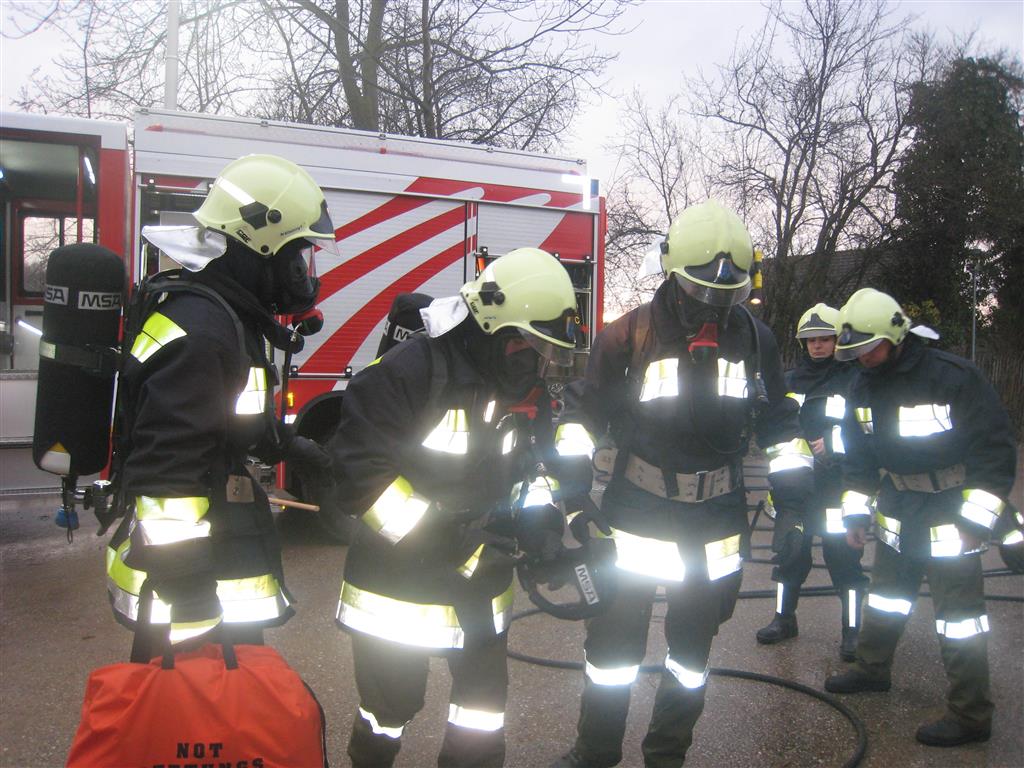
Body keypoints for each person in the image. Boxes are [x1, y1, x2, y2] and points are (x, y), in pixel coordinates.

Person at [554, 200, 810, 768]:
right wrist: (573, 496)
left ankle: (667, 755)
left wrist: (795, 509)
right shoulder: (628, 335)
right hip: (636, 515)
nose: (713, 306)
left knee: (691, 656)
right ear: (671, 273)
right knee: (612, 650)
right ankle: (596, 751)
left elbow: (780, 425)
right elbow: (581, 417)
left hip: (715, 523)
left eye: (728, 295)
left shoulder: (757, 340)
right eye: (700, 290)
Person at [327, 247, 587, 768]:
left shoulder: (522, 388)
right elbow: (359, 476)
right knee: (388, 713)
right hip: (397, 589)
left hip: (480, 586)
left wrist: (541, 528)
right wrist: (449, 538)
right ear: (496, 330)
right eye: (531, 347)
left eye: (547, 353)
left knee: (479, 719)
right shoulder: (408, 372)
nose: (539, 364)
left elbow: (532, 469)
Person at [105, 153, 335, 655]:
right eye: (296, 255)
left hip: (206, 562)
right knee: (191, 704)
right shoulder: (204, 332)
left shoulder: (223, 316)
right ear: (260, 245)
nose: (302, 273)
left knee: (219, 700)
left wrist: (300, 451)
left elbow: (237, 420)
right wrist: (190, 597)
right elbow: (165, 478)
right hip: (186, 600)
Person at [824, 288, 1017, 747]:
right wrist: (855, 515)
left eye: (870, 348)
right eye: (855, 350)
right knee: (886, 598)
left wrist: (976, 520)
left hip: (950, 511)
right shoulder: (861, 385)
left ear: (895, 337)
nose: (863, 358)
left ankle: (971, 713)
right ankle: (873, 669)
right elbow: (857, 461)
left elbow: (994, 453)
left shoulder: (952, 378)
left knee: (959, 619)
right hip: (898, 507)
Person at [755, 303, 867, 660]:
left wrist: (835, 442)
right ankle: (783, 619)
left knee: (844, 559)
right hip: (795, 492)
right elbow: (770, 427)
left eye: (825, 339)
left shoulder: (855, 380)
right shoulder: (788, 382)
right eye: (811, 340)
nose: (817, 346)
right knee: (791, 555)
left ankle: (852, 631)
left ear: (838, 340)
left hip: (837, 489)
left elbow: (871, 431)